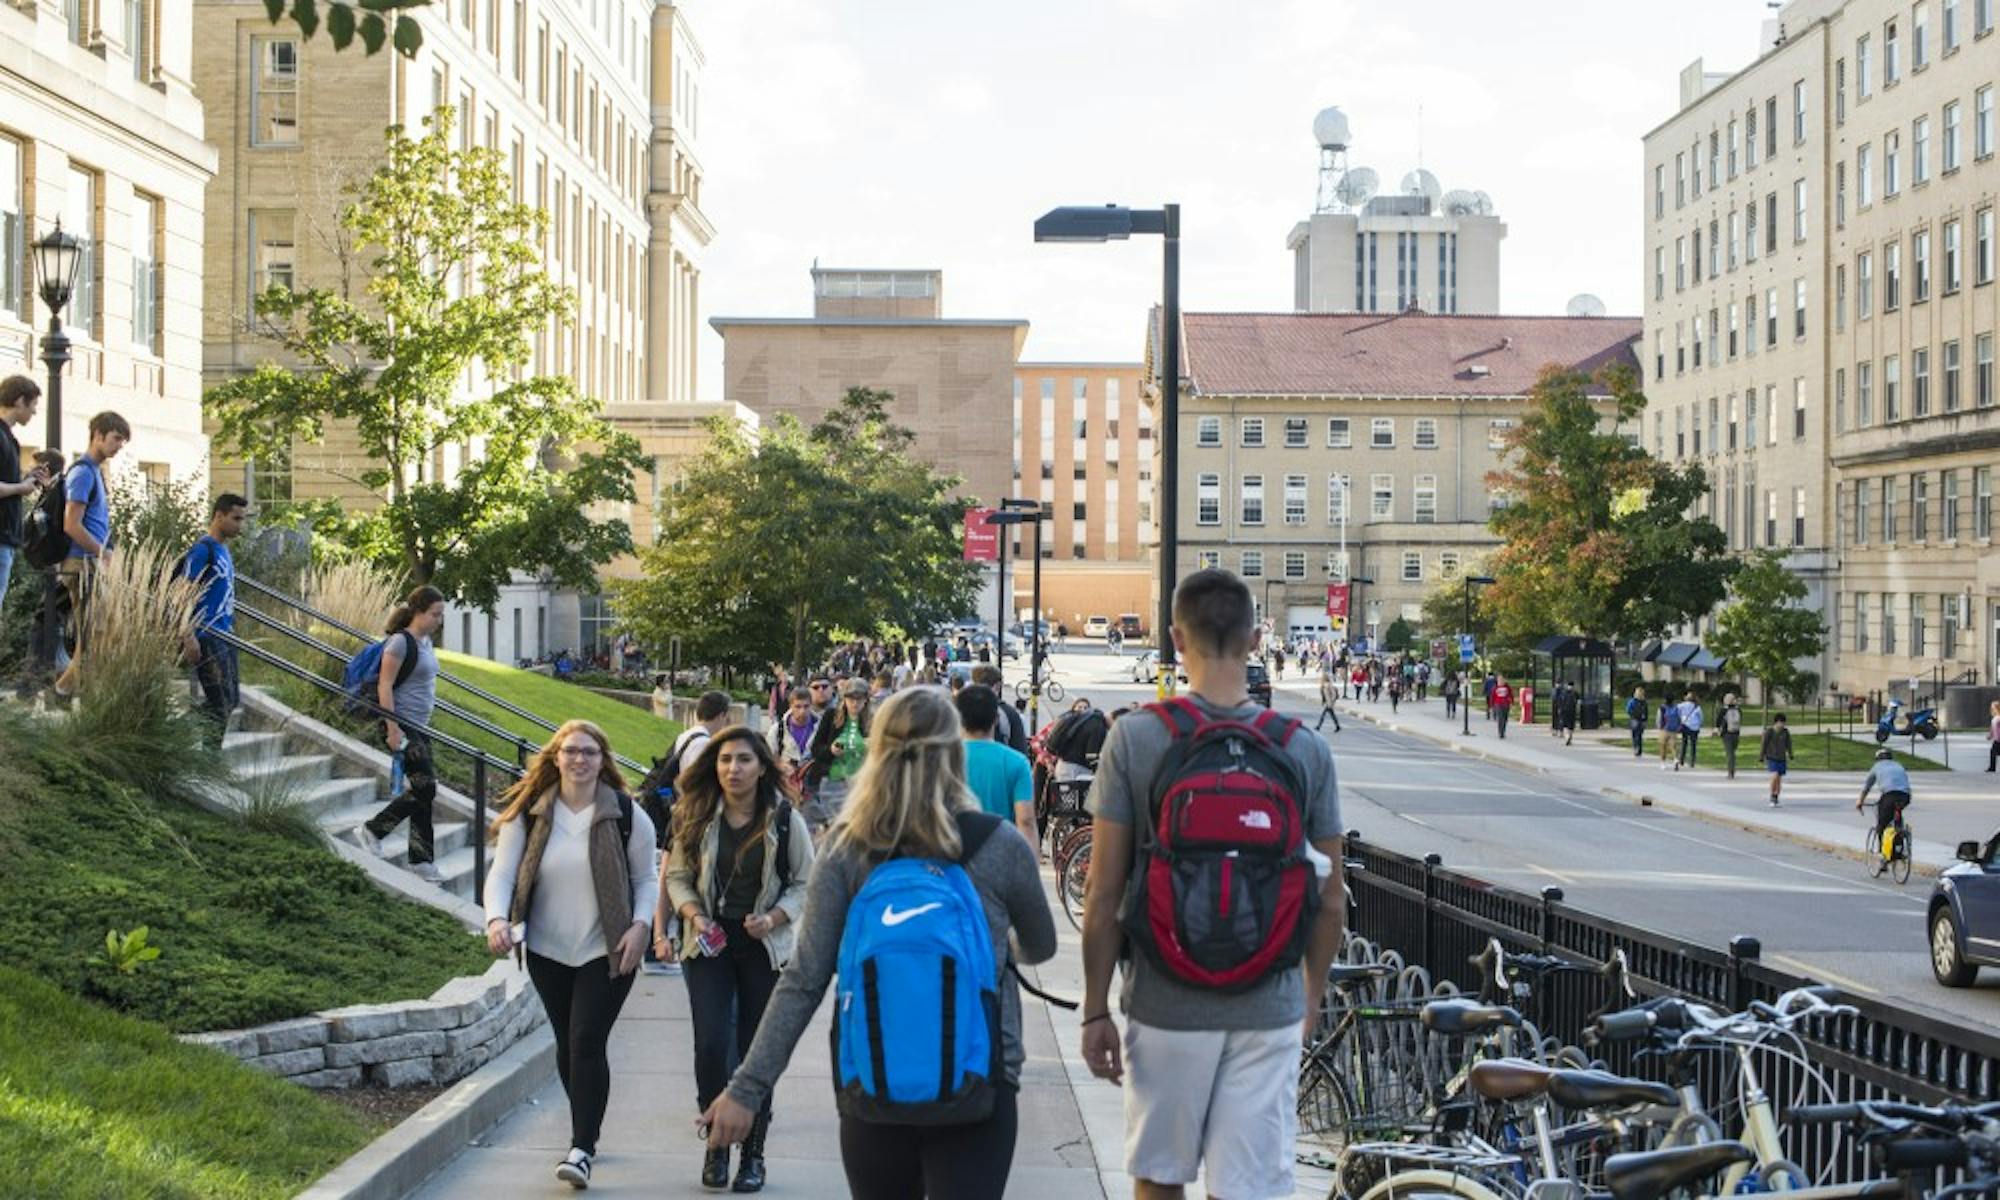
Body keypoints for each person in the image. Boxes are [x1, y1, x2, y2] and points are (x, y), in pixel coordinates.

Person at [701, 687, 1056, 1199]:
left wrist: (746, 1089)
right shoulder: (998, 844)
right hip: (981, 1076)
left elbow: (803, 980)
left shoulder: (847, 849)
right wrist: (991, 951)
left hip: (872, 1075)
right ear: (952, 751)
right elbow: (1041, 945)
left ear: (877, 750)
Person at [1077, 569, 1343, 1200]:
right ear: (1255, 640)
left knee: (1160, 1178)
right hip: (1268, 1002)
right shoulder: (1302, 748)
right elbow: (1330, 898)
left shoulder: (1137, 737)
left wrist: (1094, 1008)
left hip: (1165, 1001)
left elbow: (1104, 891)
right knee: (1248, 1189)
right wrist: (1308, 997)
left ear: (1176, 638)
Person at [482, 720, 659, 1190]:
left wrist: (641, 926)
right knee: (567, 1043)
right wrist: (497, 919)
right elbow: (502, 873)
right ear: (555, 757)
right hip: (547, 949)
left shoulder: (624, 813)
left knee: (585, 1039)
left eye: (590, 752)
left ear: (603, 760)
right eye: (571, 751)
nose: (580, 760)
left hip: (609, 949)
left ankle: (582, 1148)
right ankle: (588, 1122)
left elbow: (647, 879)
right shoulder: (532, 812)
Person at [659, 726, 814, 1193]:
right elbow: (679, 875)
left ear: (762, 766)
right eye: (725, 760)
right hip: (708, 942)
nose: (733, 768)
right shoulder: (696, 814)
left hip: (763, 944)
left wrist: (774, 918)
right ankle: (716, 1145)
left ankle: (753, 1153)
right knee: (711, 1044)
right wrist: (691, 915)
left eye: (744, 760)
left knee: (754, 1053)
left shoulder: (785, 819)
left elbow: (806, 882)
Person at [357, 586, 447, 883]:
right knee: (426, 787)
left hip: (420, 726)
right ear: (419, 611)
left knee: (423, 792)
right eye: (435, 614)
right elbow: (385, 686)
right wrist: (392, 728)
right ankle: (373, 829)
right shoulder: (399, 643)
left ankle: (422, 861)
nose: (439, 620)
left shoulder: (426, 642)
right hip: (402, 724)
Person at [51, 411, 129, 698]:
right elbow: (71, 524)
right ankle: (63, 690)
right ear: (98, 434)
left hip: (92, 561)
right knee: (93, 633)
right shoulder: (83, 471)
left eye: (122, 440)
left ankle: (70, 688)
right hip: (82, 562)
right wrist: (102, 552)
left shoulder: (95, 471)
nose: (120, 445)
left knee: (99, 631)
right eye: (116, 438)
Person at [181, 494, 248, 747]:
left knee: (230, 700)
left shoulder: (224, 551)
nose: (240, 525)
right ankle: (210, 756)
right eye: (236, 519)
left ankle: (181, 729)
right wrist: (187, 635)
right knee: (219, 702)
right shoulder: (203, 550)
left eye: (242, 519)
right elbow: (182, 594)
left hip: (225, 634)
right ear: (219, 516)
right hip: (206, 636)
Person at [955, 684, 1038, 852]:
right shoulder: (1017, 762)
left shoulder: (943, 758)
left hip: (954, 855)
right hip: (1000, 854)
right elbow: (1026, 820)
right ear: (996, 718)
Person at [0, 376, 49, 618]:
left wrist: (26, 479)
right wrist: (22, 488)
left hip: (6, 537)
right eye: (33, 405)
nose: (34, 412)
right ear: (19, 401)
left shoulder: (9, 439)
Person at [806, 678, 871, 830]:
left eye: (859, 699)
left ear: (866, 701)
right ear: (844, 699)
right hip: (830, 781)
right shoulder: (831, 716)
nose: (855, 703)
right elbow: (816, 749)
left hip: (857, 784)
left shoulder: (871, 722)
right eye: (851, 699)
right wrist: (831, 750)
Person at [1857, 747, 1913, 853]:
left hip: (1889, 795)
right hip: (1905, 796)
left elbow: (1867, 787)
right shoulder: (1898, 765)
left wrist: (1860, 801)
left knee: (1882, 823)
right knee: (1897, 811)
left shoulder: (1876, 767)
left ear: (1877, 759)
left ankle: (1883, 851)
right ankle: (1899, 834)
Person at [767, 686, 818, 783]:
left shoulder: (820, 727)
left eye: (806, 706)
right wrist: (780, 765)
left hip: (812, 785)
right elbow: (768, 756)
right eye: (798, 706)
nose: (802, 711)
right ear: (790, 706)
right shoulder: (777, 729)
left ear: (811, 705)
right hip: (785, 783)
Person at [1758, 713, 1793, 807]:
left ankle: (1776, 795)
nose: (1782, 725)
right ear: (1777, 722)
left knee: (1779, 779)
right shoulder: (1769, 732)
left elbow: (1788, 744)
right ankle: (1772, 795)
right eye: (1781, 723)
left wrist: (1790, 754)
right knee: (1775, 775)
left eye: (1784, 723)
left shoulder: (1785, 732)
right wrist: (1762, 756)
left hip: (1781, 758)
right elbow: (1764, 744)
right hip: (1772, 757)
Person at [1717, 693, 1745, 778]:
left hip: (1727, 734)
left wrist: (1718, 730)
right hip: (1736, 733)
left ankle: (1730, 772)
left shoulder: (1724, 710)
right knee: (1733, 752)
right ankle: (1732, 770)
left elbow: (1718, 722)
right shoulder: (1738, 710)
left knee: (1729, 753)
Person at [1675, 692, 1704, 771]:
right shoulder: (1697, 707)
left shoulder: (1681, 705)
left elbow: (1676, 711)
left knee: (1684, 743)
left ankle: (1682, 760)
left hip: (1685, 725)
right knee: (1693, 744)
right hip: (1694, 727)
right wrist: (1700, 724)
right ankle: (1692, 761)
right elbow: (1701, 717)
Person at [1625, 688, 1650, 757]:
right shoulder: (1633, 701)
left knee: (1638, 735)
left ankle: (1638, 748)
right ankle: (1637, 748)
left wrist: (1645, 719)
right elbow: (1628, 710)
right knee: (1636, 735)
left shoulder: (1643, 702)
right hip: (1635, 719)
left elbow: (1646, 711)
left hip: (1640, 720)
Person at [1316, 666, 1342, 732]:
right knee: (1332, 715)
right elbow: (1324, 696)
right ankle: (1337, 726)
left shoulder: (1328, 685)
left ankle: (1318, 726)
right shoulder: (1324, 685)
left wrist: (1331, 702)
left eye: (1322, 678)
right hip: (1328, 703)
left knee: (1323, 715)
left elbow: (1334, 694)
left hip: (1329, 703)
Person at [1986, 700, 2000, 773]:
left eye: (1993, 708)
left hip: (1999, 740)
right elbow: (1992, 729)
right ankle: (1992, 768)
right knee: (1993, 752)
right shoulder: (1994, 719)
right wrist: (1990, 736)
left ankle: (1992, 768)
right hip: (1996, 740)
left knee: (1994, 752)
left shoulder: (1999, 718)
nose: (1991, 709)